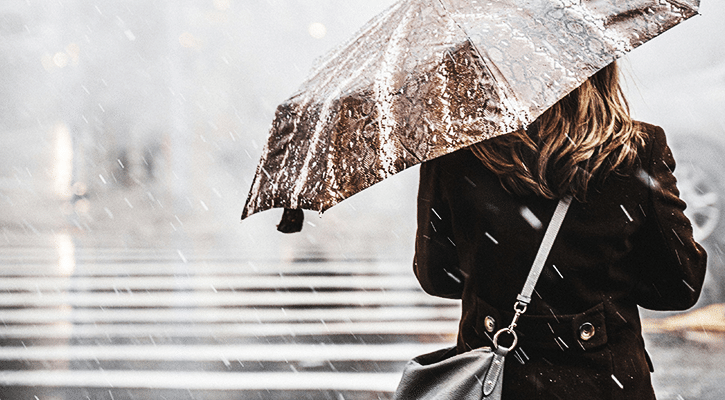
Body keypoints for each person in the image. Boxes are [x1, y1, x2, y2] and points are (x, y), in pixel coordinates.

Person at [413, 61, 707, 399]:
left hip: (497, 382)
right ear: (598, 67)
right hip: (603, 381)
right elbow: (678, 286)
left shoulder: (454, 150)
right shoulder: (636, 150)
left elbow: (438, 276)